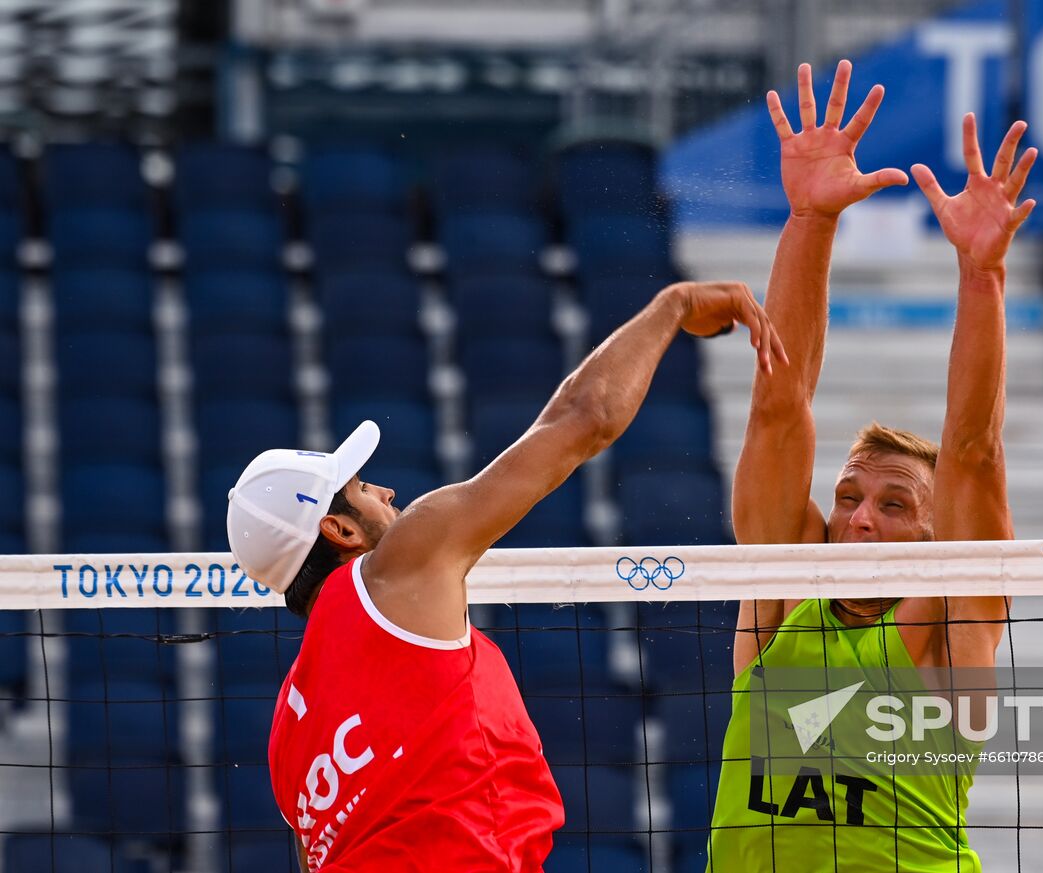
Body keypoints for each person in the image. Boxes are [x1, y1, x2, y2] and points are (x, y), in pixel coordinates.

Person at [225, 280, 786, 873]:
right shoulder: (396, 568)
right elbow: (584, 418)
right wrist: (674, 306)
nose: (386, 491)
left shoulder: (286, 730)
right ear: (339, 531)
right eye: (363, 489)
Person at [707, 60, 1037, 871]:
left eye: (893, 505)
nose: (858, 515)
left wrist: (982, 274)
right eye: (849, 495)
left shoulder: (946, 624)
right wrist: (809, 220)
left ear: (933, 537)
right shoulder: (782, 594)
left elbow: (973, 452)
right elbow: (779, 405)